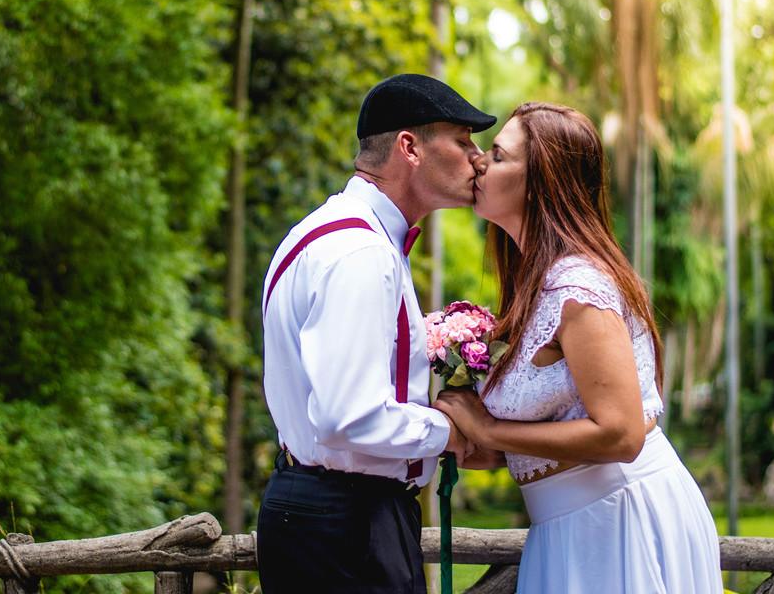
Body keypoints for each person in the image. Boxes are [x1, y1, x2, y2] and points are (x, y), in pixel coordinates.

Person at [434, 102, 723, 593]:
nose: (480, 160)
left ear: (541, 182)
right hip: (569, 529)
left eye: (499, 156)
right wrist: (496, 452)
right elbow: (569, 420)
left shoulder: (576, 285)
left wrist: (489, 427)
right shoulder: (535, 284)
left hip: (617, 525)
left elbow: (621, 435)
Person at [257, 73, 496, 594]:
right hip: (349, 525)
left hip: (319, 511)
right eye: (462, 140)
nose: (478, 158)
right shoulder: (363, 253)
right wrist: (448, 432)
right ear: (409, 147)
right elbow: (348, 418)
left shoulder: (325, 231)